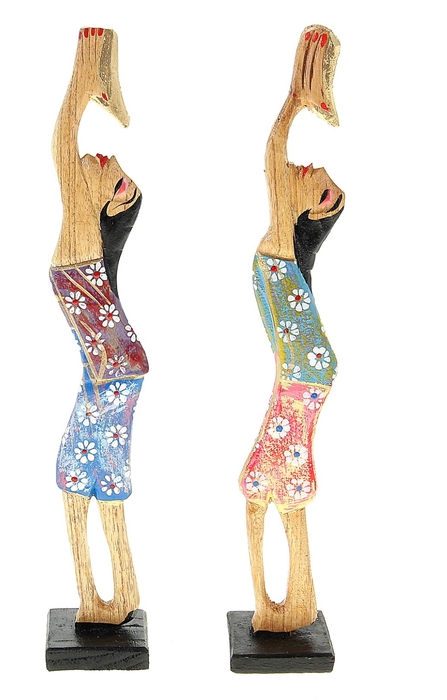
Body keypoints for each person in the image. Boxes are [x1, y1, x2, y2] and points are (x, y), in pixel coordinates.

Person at [239, 26, 345, 633]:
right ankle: (281, 603)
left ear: (312, 206)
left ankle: (280, 605)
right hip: (302, 384)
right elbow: (277, 159)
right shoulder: (282, 254)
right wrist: (300, 95)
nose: (305, 167)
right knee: (274, 488)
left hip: (302, 384)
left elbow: (274, 151)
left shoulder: (282, 249)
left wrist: (295, 100)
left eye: (316, 177)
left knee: (263, 487)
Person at [50, 27, 147, 625]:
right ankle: (111, 594)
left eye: (112, 172)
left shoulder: (80, 239)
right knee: (93, 481)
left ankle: (108, 595)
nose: (100, 156)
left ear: (104, 203)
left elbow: (63, 141)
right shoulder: (83, 246)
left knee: (80, 477)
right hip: (114, 375)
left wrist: (85, 76)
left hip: (113, 377)